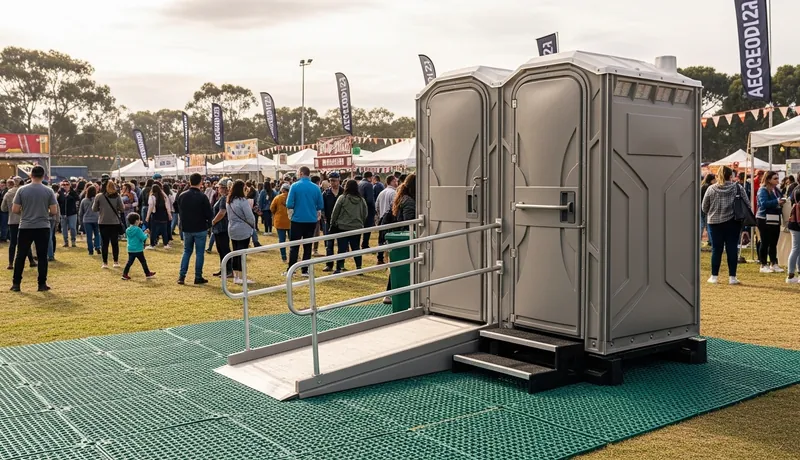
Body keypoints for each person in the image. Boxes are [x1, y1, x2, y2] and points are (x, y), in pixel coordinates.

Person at [10, 166, 58, 292]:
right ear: (43, 176)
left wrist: (26, 214)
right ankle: (41, 284)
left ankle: (16, 284)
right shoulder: (49, 191)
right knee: (42, 257)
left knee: (20, 255)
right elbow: (54, 211)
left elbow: (15, 209)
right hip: (42, 226)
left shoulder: (22, 190)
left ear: (31, 175)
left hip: (25, 226)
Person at [701, 166, 742, 285]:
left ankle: (714, 276)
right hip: (733, 222)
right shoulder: (737, 188)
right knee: (732, 248)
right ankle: (732, 277)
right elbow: (746, 203)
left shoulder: (711, 189)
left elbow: (704, 207)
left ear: (718, 176)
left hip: (714, 222)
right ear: (731, 176)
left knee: (716, 249)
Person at [285, 166, 324, 277]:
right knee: (308, 246)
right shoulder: (316, 188)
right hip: (311, 220)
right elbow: (320, 205)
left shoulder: (295, 186)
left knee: (294, 246)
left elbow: (289, 204)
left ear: (301, 173)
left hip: (297, 219)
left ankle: (291, 270)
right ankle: (305, 270)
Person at [176, 173, 214, 285]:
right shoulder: (202, 196)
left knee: (187, 251)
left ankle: (182, 276)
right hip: (200, 227)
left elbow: (176, 208)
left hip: (187, 227)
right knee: (199, 253)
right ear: (200, 182)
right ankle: (198, 276)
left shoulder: (182, 195)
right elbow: (209, 213)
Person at [330, 179, 367, 274]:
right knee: (356, 248)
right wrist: (360, 222)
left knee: (341, 248)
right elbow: (365, 213)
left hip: (343, 227)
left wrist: (333, 223)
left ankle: (339, 267)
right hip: (356, 226)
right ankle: (359, 267)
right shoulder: (361, 200)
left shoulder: (342, 198)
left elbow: (335, 212)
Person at [227, 180, 256, 285]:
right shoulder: (242, 201)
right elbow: (249, 216)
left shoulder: (229, 200)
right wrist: (253, 225)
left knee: (235, 252)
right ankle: (242, 277)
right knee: (243, 253)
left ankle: (236, 276)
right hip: (243, 229)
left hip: (232, 228)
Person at [2, 177, 35, 270]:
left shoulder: (8, 194)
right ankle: (31, 261)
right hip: (24, 220)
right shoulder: (25, 192)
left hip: (12, 220)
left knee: (13, 243)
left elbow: (3, 208)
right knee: (25, 241)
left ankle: (10, 263)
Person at [756, 171, 786, 273]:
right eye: (775, 178)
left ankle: (774, 263)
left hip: (775, 218)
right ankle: (763, 264)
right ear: (768, 179)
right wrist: (777, 201)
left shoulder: (776, 190)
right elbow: (763, 204)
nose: (777, 180)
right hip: (764, 219)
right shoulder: (762, 190)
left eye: (777, 178)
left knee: (774, 242)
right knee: (765, 242)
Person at [93, 180, 125, 269]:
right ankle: (116, 261)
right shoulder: (117, 196)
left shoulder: (99, 196)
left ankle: (105, 262)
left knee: (104, 243)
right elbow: (122, 209)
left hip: (103, 221)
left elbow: (94, 209)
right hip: (114, 222)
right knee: (115, 243)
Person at [121, 213, 156, 281]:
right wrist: (146, 234)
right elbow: (142, 238)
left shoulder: (128, 229)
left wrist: (143, 233)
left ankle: (125, 274)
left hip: (130, 249)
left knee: (129, 262)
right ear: (136, 221)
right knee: (143, 262)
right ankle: (147, 273)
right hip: (138, 249)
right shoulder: (138, 229)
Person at [210, 179, 233, 278]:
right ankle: (223, 269)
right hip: (220, 228)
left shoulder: (224, 198)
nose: (218, 189)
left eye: (219, 187)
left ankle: (228, 270)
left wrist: (213, 221)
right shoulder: (223, 198)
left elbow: (222, 212)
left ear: (223, 188)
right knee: (221, 249)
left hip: (222, 227)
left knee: (224, 249)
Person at [321, 173, 344, 272]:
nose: (333, 183)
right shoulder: (326, 193)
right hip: (329, 222)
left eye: (334, 180)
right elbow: (322, 208)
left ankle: (340, 265)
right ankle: (329, 264)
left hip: (342, 222)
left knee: (341, 245)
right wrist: (324, 217)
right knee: (329, 245)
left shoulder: (344, 192)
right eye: (331, 180)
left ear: (339, 180)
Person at [375, 175, 399, 264]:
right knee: (389, 238)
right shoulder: (393, 193)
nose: (397, 183)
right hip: (390, 219)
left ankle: (380, 258)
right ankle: (389, 258)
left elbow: (376, 206)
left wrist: (379, 216)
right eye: (395, 181)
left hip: (382, 218)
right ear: (392, 181)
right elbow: (394, 206)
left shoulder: (382, 192)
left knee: (381, 239)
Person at [145, 183, 172, 250]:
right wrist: (169, 215)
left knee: (153, 231)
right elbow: (168, 207)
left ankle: (152, 244)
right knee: (164, 231)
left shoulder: (152, 196)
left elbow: (150, 207)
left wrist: (147, 216)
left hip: (155, 215)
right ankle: (166, 244)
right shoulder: (164, 196)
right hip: (164, 215)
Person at [270, 183, 291, 263]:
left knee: (282, 240)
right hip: (290, 222)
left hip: (279, 222)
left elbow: (272, 208)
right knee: (292, 240)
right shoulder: (292, 197)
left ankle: (284, 257)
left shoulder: (277, 198)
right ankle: (293, 255)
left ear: (282, 190)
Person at [79, 185, 102, 256]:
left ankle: (90, 250)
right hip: (96, 219)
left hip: (87, 220)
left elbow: (81, 212)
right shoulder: (98, 199)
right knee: (97, 234)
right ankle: (97, 246)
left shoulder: (84, 200)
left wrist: (80, 222)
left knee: (89, 236)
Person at [57, 179, 80, 248]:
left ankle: (73, 241)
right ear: (61, 185)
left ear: (70, 185)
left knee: (72, 228)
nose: (65, 186)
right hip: (63, 213)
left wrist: (68, 196)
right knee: (64, 229)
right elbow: (58, 202)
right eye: (63, 185)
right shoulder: (60, 193)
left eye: (67, 184)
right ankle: (66, 242)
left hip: (72, 213)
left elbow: (77, 199)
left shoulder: (73, 192)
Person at [358, 172, 377, 250]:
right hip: (368, 209)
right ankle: (365, 244)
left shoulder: (360, 184)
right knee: (368, 227)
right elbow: (370, 199)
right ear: (370, 177)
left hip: (359, 208)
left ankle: (359, 243)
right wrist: (374, 208)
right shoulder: (368, 185)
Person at [700, 173, 716, 248]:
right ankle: (711, 241)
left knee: (701, 225)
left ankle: (698, 240)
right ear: (712, 180)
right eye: (714, 179)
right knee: (709, 225)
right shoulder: (710, 187)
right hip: (707, 208)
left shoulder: (702, 186)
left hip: (700, 207)